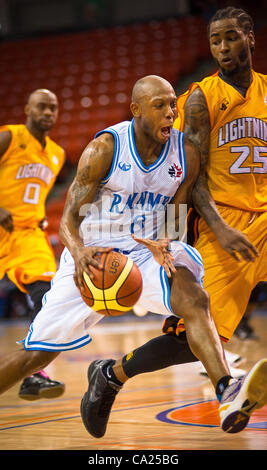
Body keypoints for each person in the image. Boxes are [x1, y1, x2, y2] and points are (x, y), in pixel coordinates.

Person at [0, 75, 265, 438]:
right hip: (95, 256)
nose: (171, 113)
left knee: (194, 296)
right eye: (160, 105)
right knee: (37, 356)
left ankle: (226, 391)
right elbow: (68, 220)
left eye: (173, 104)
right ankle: (99, 377)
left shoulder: (184, 152)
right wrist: (77, 252)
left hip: (145, 254)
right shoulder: (107, 148)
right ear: (137, 110)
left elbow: (177, 207)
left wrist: (167, 241)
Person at [79, 7, 267, 438]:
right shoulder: (202, 98)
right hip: (226, 225)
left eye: (231, 38)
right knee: (193, 336)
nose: (222, 48)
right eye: (215, 41)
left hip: (265, 216)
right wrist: (217, 227)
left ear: (251, 38)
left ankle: (227, 389)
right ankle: (112, 375)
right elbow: (191, 172)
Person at [0, 89, 66, 400]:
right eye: (42, 106)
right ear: (27, 108)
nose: (48, 112)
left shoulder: (57, 154)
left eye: (53, 108)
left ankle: (33, 372)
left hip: (28, 236)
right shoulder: (10, 137)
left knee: (47, 297)